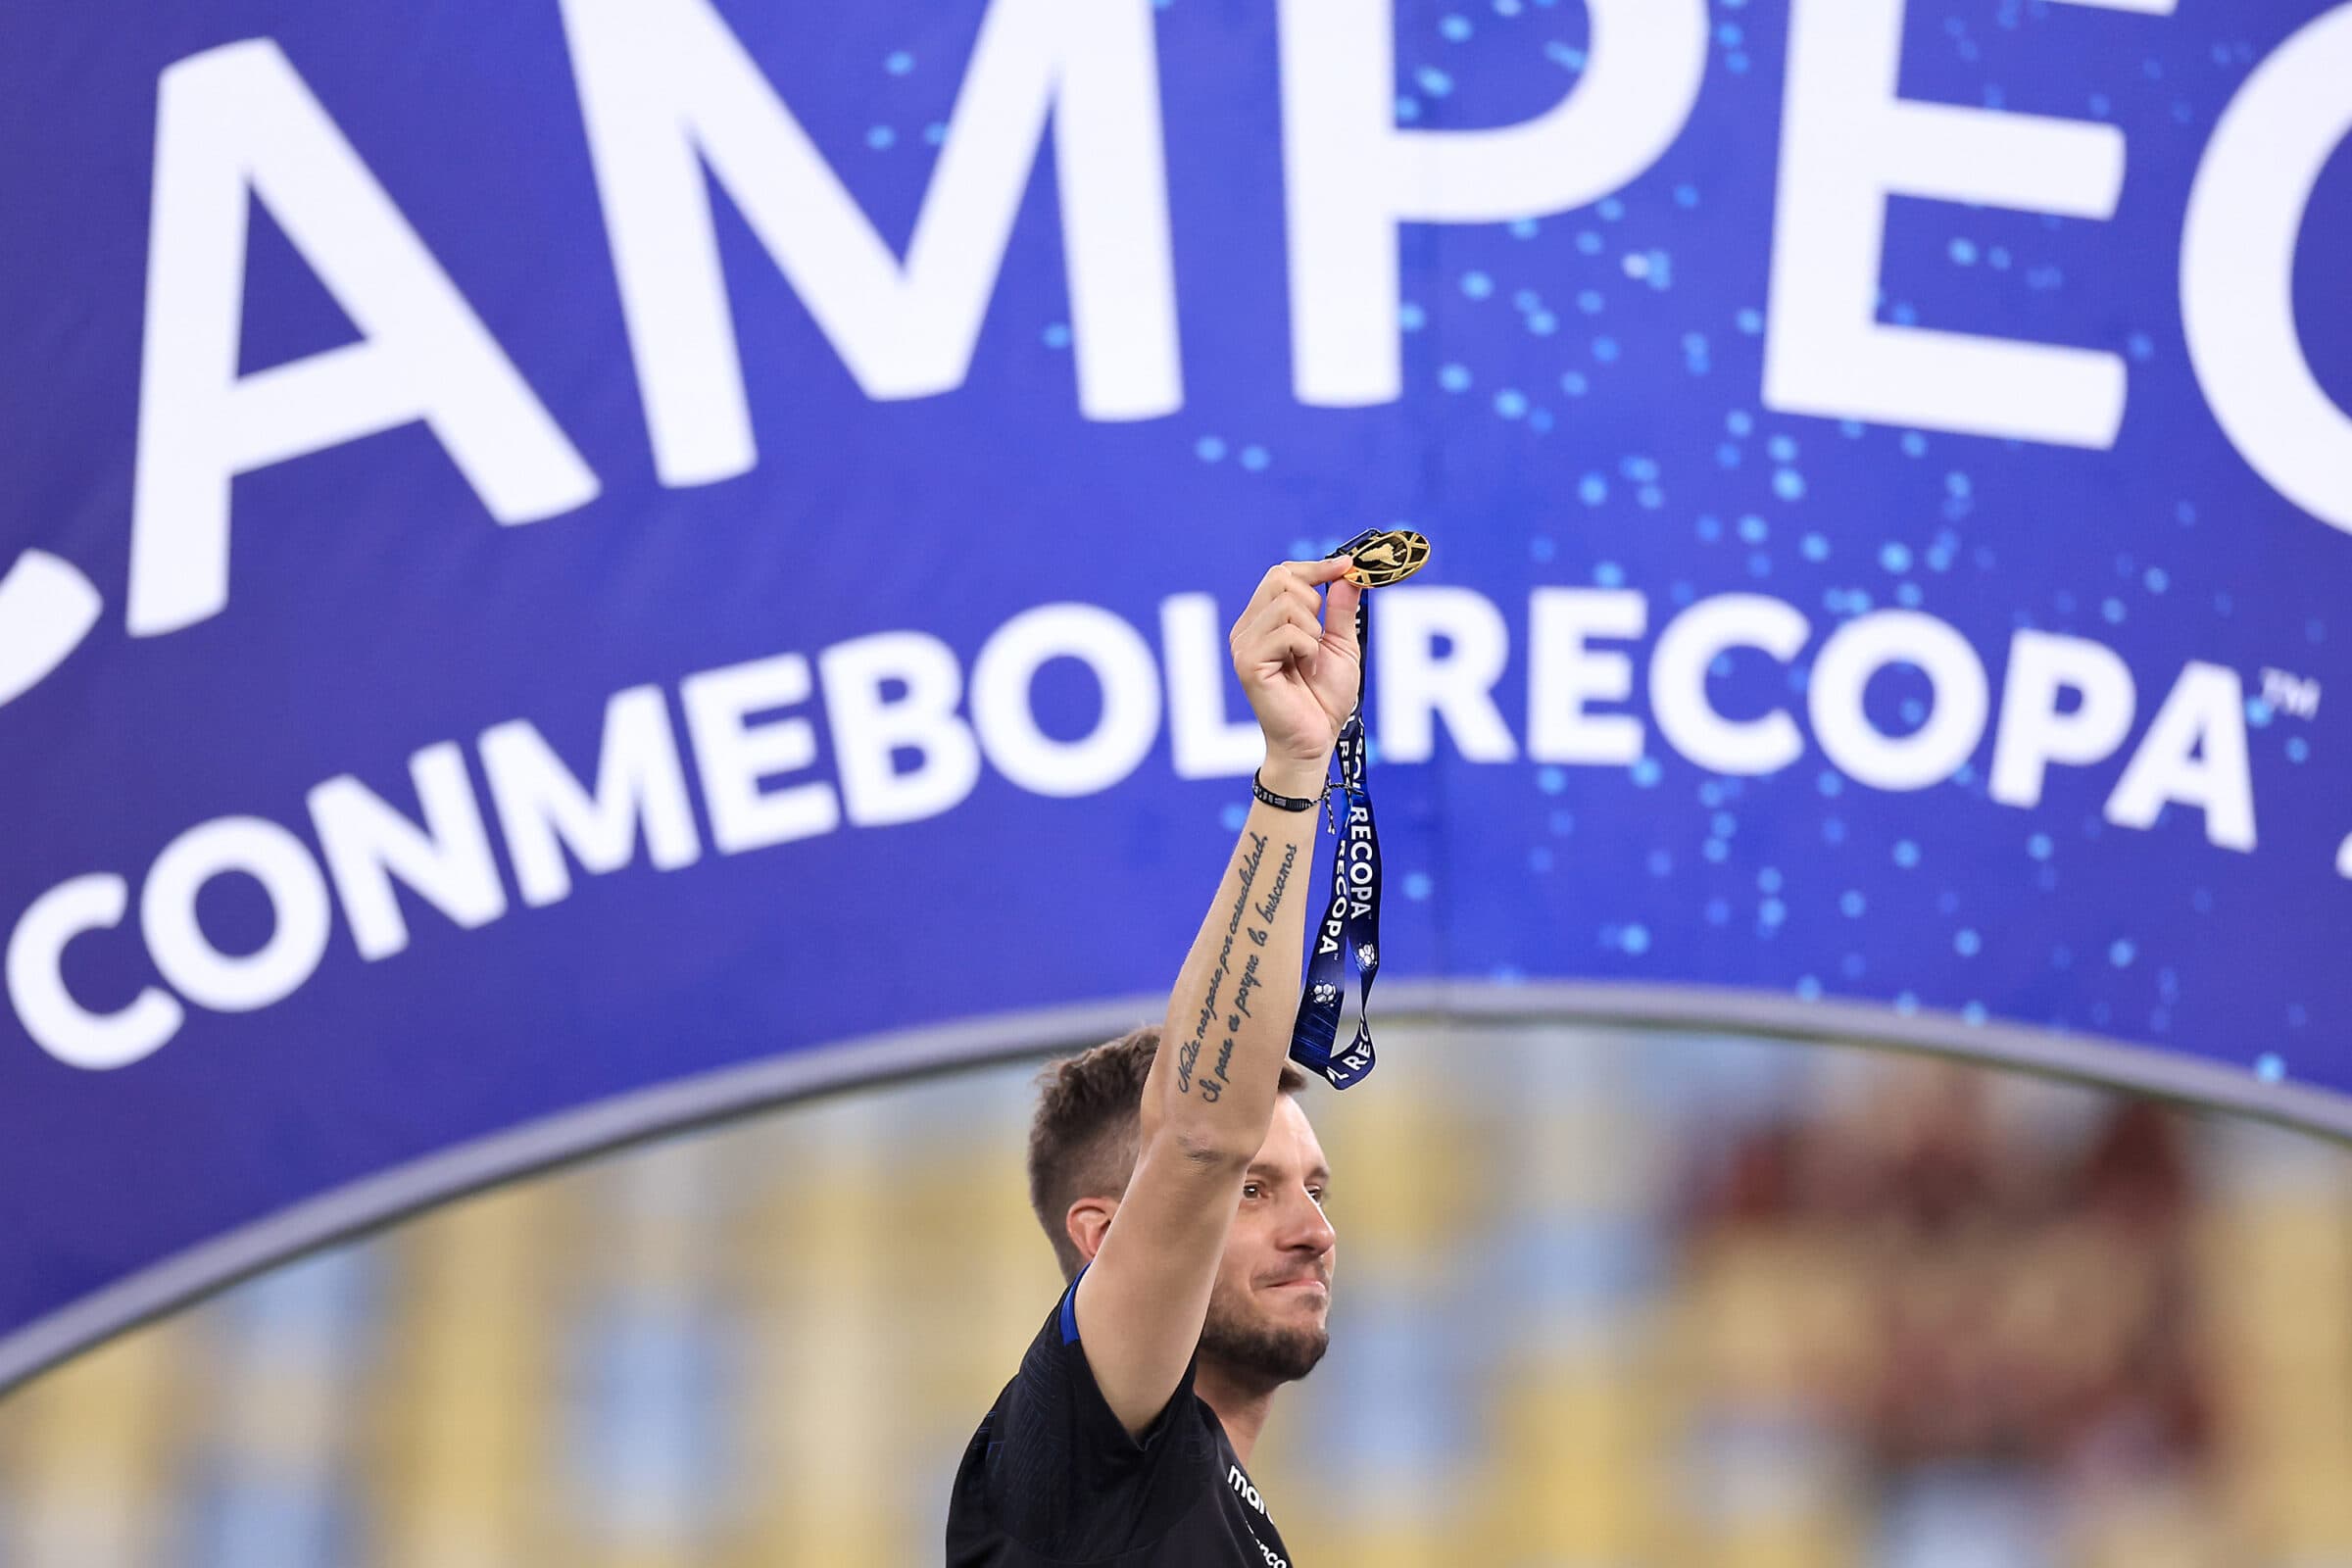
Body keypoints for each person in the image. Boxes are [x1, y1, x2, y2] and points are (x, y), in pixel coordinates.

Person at [947, 558, 1362, 1566]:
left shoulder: (1205, 1508)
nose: (1314, 1231)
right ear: (1102, 1235)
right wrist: (1297, 766)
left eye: (1312, 1187)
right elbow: (1198, 1134)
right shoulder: (1083, 1455)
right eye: (1253, 1192)